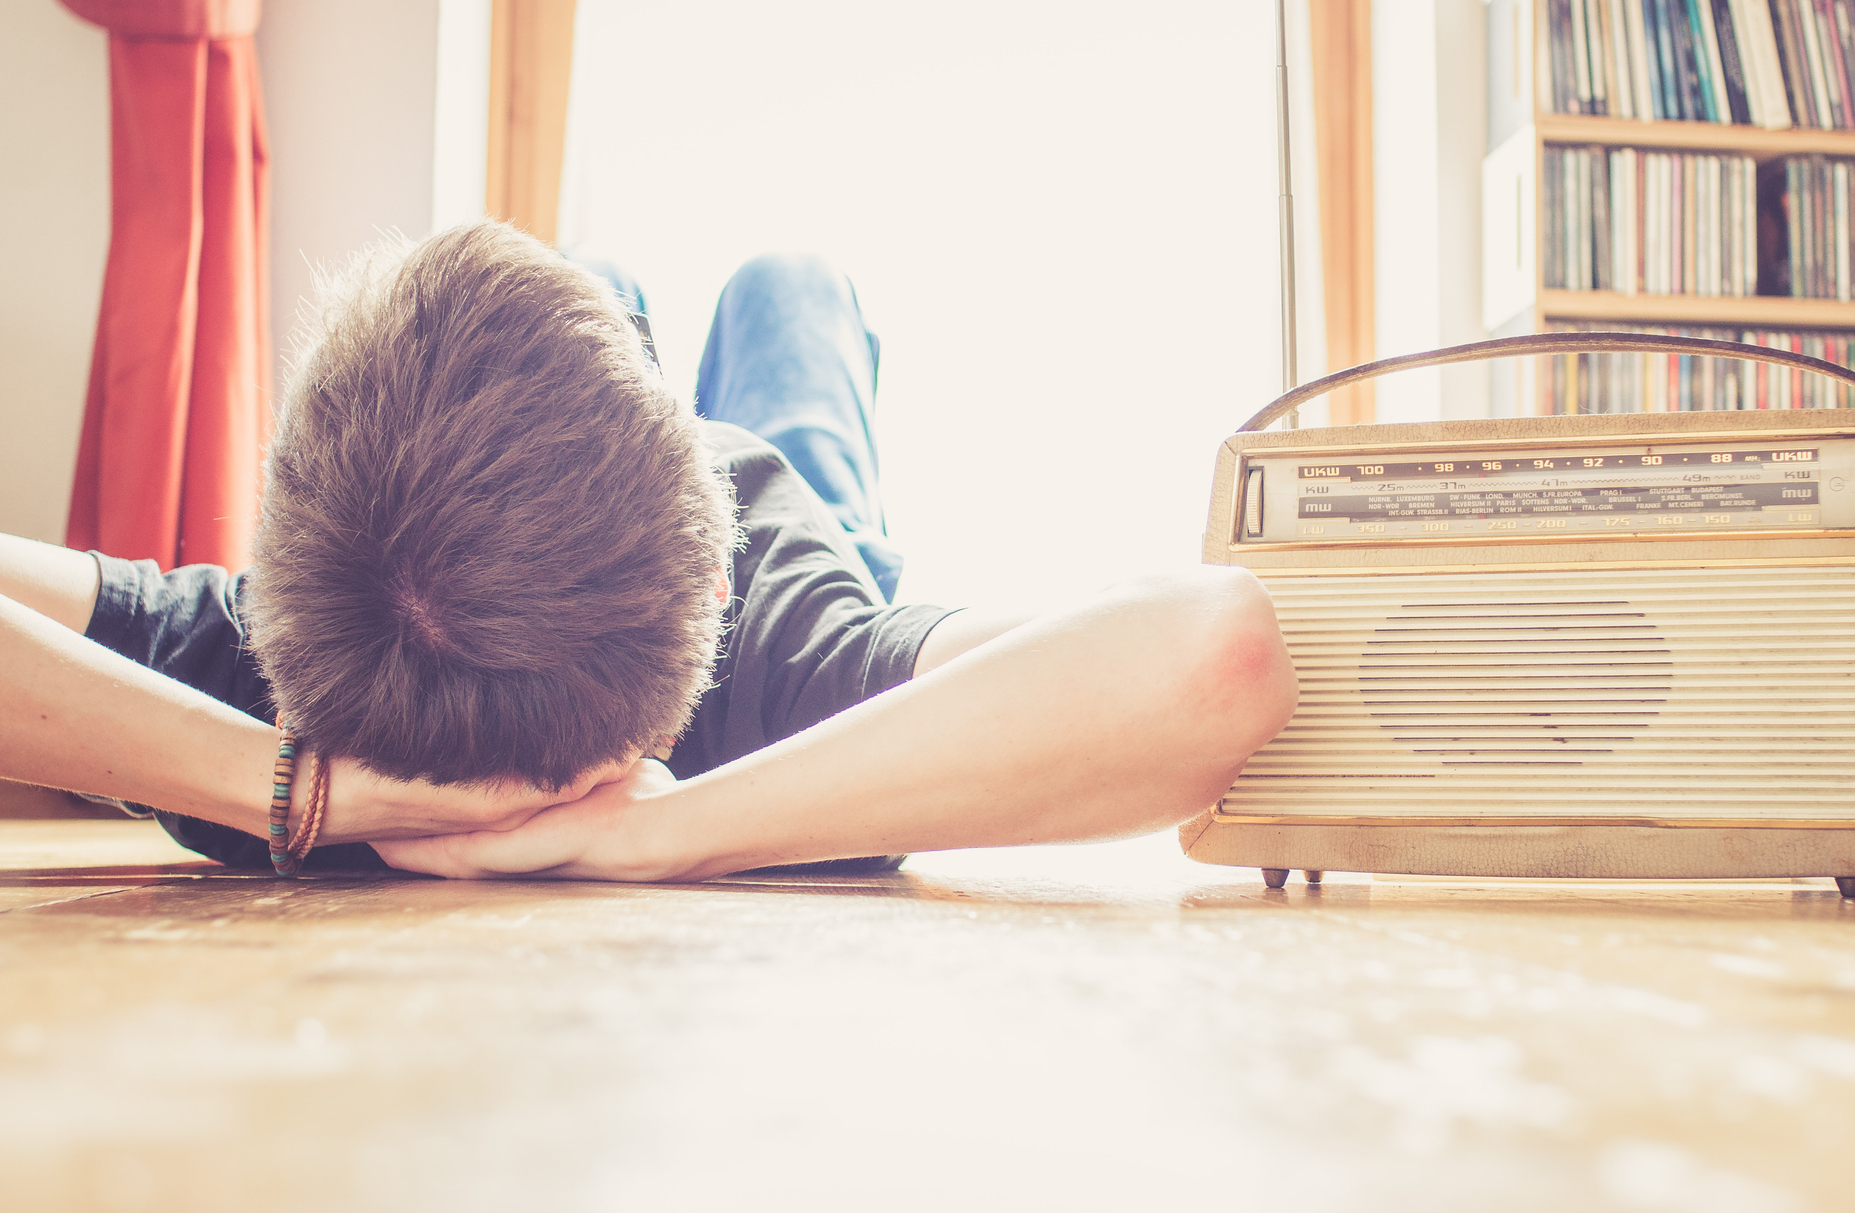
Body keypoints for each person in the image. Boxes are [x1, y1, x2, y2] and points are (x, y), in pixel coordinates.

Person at [0, 222, 1295, 880]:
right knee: (789, 287)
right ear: (722, 581)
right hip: (794, 524)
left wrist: (291, 790)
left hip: (679, 516)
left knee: (586, 284)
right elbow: (1211, 652)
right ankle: (623, 315)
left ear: (277, 573)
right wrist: (655, 835)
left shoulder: (268, 678)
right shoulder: (800, 670)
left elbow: (1203, 646)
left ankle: (603, 305)